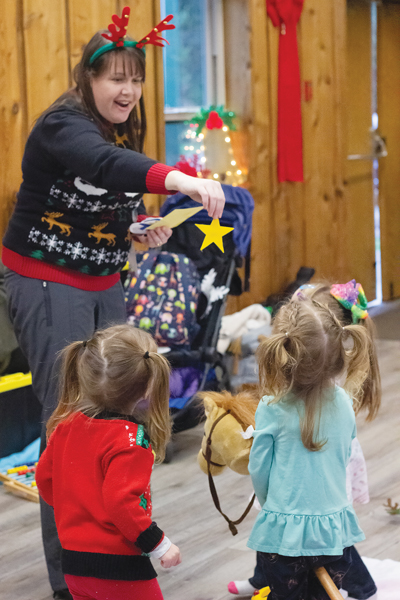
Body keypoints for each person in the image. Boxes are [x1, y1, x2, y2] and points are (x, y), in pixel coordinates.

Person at [2, 8, 225, 599]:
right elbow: (99, 167)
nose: (126, 90)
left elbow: (101, 193)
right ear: (88, 80)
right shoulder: (63, 124)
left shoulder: (118, 128)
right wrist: (178, 179)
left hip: (103, 280)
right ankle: (70, 580)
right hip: (49, 280)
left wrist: (134, 227)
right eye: (113, 78)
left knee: (114, 412)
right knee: (71, 426)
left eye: (135, 79)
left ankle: (115, 547)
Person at [228, 279, 381, 599]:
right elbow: (342, 457)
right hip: (332, 529)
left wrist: (275, 508)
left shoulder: (271, 407)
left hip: (285, 529)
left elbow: (259, 469)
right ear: (339, 356)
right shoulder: (343, 403)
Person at [35, 324, 181, 600]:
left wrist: (80, 508)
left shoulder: (66, 426)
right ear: (148, 386)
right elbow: (121, 503)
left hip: (73, 565)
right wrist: (160, 545)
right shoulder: (130, 440)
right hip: (119, 566)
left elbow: (44, 478)